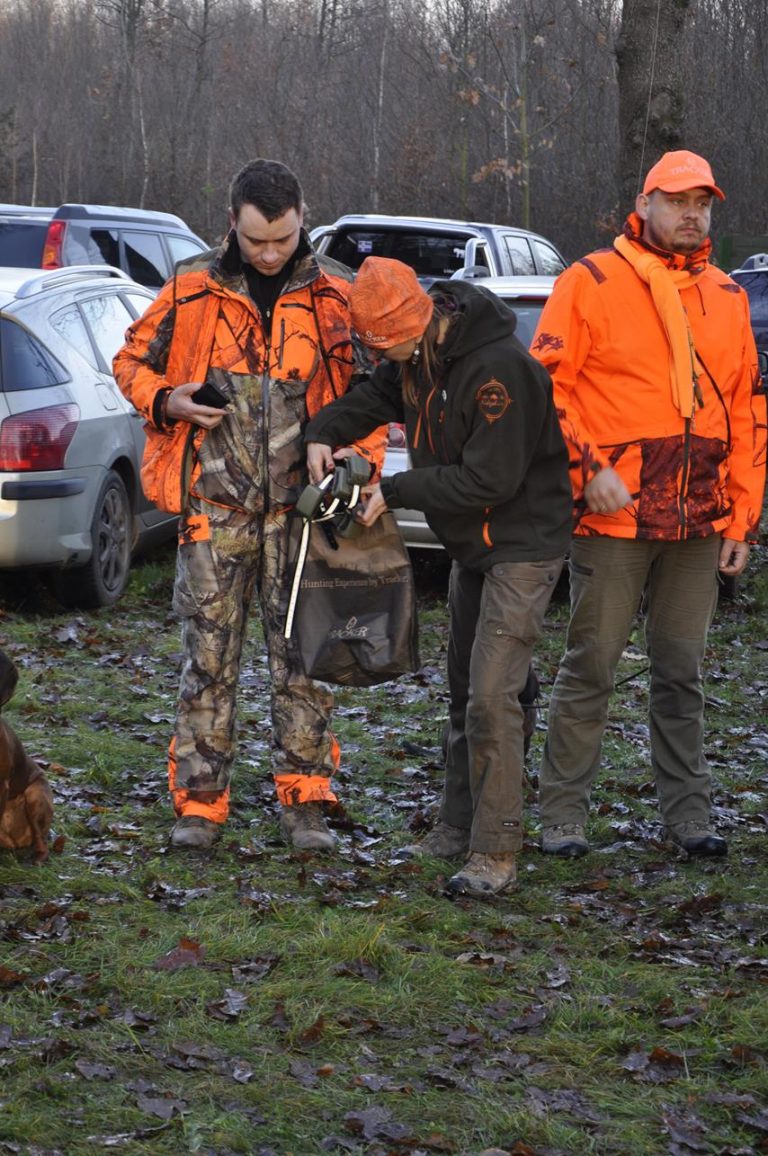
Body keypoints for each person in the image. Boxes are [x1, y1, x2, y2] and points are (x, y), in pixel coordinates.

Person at [113, 159, 385, 852]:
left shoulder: (335, 296)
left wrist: (359, 473)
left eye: (284, 239)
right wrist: (165, 399)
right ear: (232, 221)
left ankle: (305, 803)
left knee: (304, 662)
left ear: (303, 221)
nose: (270, 252)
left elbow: (373, 398)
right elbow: (129, 362)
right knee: (207, 660)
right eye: (258, 239)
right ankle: (200, 804)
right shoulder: (189, 289)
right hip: (213, 512)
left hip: (304, 515)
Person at [305, 256, 572, 897]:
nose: (380, 355)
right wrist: (324, 431)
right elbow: (375, 395)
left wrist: (390, 489)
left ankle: (496, 848)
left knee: (490, 697)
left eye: (385, 342)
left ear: (418, 319)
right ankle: (456, 823)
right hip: (472, 549)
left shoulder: (499, 371)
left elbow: (490, 479)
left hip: (523, 546)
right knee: (466, 690)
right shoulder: (416, 359)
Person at [529, 149, 767, 859]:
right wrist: (587, 467)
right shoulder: (592, 280)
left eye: (703, 203)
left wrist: (743, 518)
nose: (691, 214)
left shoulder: (726, 295)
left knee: (681, 670)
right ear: (646, 202)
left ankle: (688, 816)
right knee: (591, 666)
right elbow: (546, 388)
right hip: (615, 516)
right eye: (677, 200)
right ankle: (563, 815)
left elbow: (748, 413)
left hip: (699, 519)